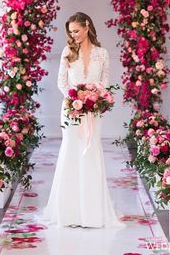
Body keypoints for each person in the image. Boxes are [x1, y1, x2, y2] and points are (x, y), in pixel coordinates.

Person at [43, 12, 125, 229]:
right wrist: (76, 97)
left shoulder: (103, 53)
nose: (74, 35)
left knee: (90, 152)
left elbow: (105, 82)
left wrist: (94, 97)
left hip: (93, 111)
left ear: (87, 27)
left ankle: (92, 213)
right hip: (71, 110)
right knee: (71, 150)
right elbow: (61, 82)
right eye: (71, 32)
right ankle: (68, 212)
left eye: (76, 31)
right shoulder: (67, 51)